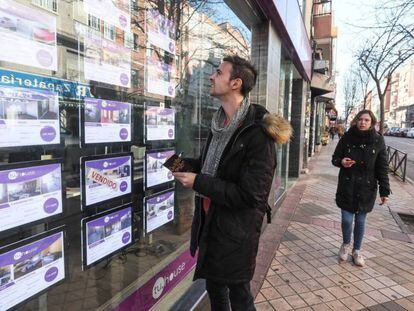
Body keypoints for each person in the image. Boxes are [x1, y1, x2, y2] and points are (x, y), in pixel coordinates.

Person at [173, 55, 292, 310]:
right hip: (211, 224)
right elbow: (213, 166)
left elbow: (252, 195)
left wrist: (198, 182)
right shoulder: (219, 123)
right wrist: (177, 164)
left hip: (236, 232)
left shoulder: (258, 135)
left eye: (218, 72)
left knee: (239, 296)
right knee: (215, 290)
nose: (211, 76)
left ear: (235, 83)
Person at [332, 110, 390, 266]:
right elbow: (335, 158)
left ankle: (356, 250)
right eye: (360, 119)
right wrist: (342, 162)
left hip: (366, 187)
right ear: (356, 121)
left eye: (366, 120)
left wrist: (385, 191)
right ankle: (345, 244)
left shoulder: (378, 140)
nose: (363, 122)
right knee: (346, 219)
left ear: (372, 123)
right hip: (347, 185)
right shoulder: (347, 137)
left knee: (361, 221)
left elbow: (382, 167)